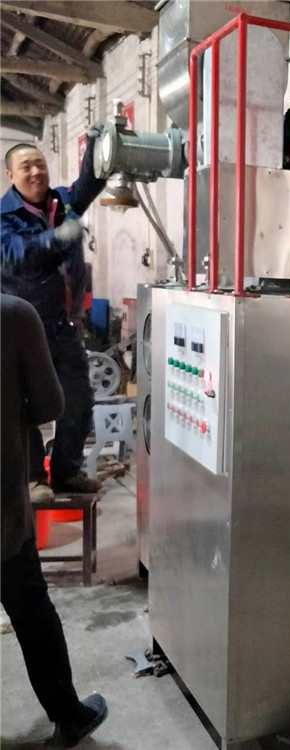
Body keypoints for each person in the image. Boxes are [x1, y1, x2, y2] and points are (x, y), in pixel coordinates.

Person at [1, 292, 108, 747]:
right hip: (2, 512)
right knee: (30, 608)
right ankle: (69, 715)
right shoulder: (13, 315)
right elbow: (50, 405)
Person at [1, 128, 107, 500]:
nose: (36, 172)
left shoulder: (62, 201)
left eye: (40, 164)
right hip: (23, 329)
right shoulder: (4, 216)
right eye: (26, 167)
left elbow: (88, 185)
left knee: (77, 401)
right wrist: (57, 238)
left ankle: (66, 472)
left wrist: (98, 147)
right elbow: (15, 256)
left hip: (64, 326)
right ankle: (32, 478)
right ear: (11, 175)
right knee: (23, 406)